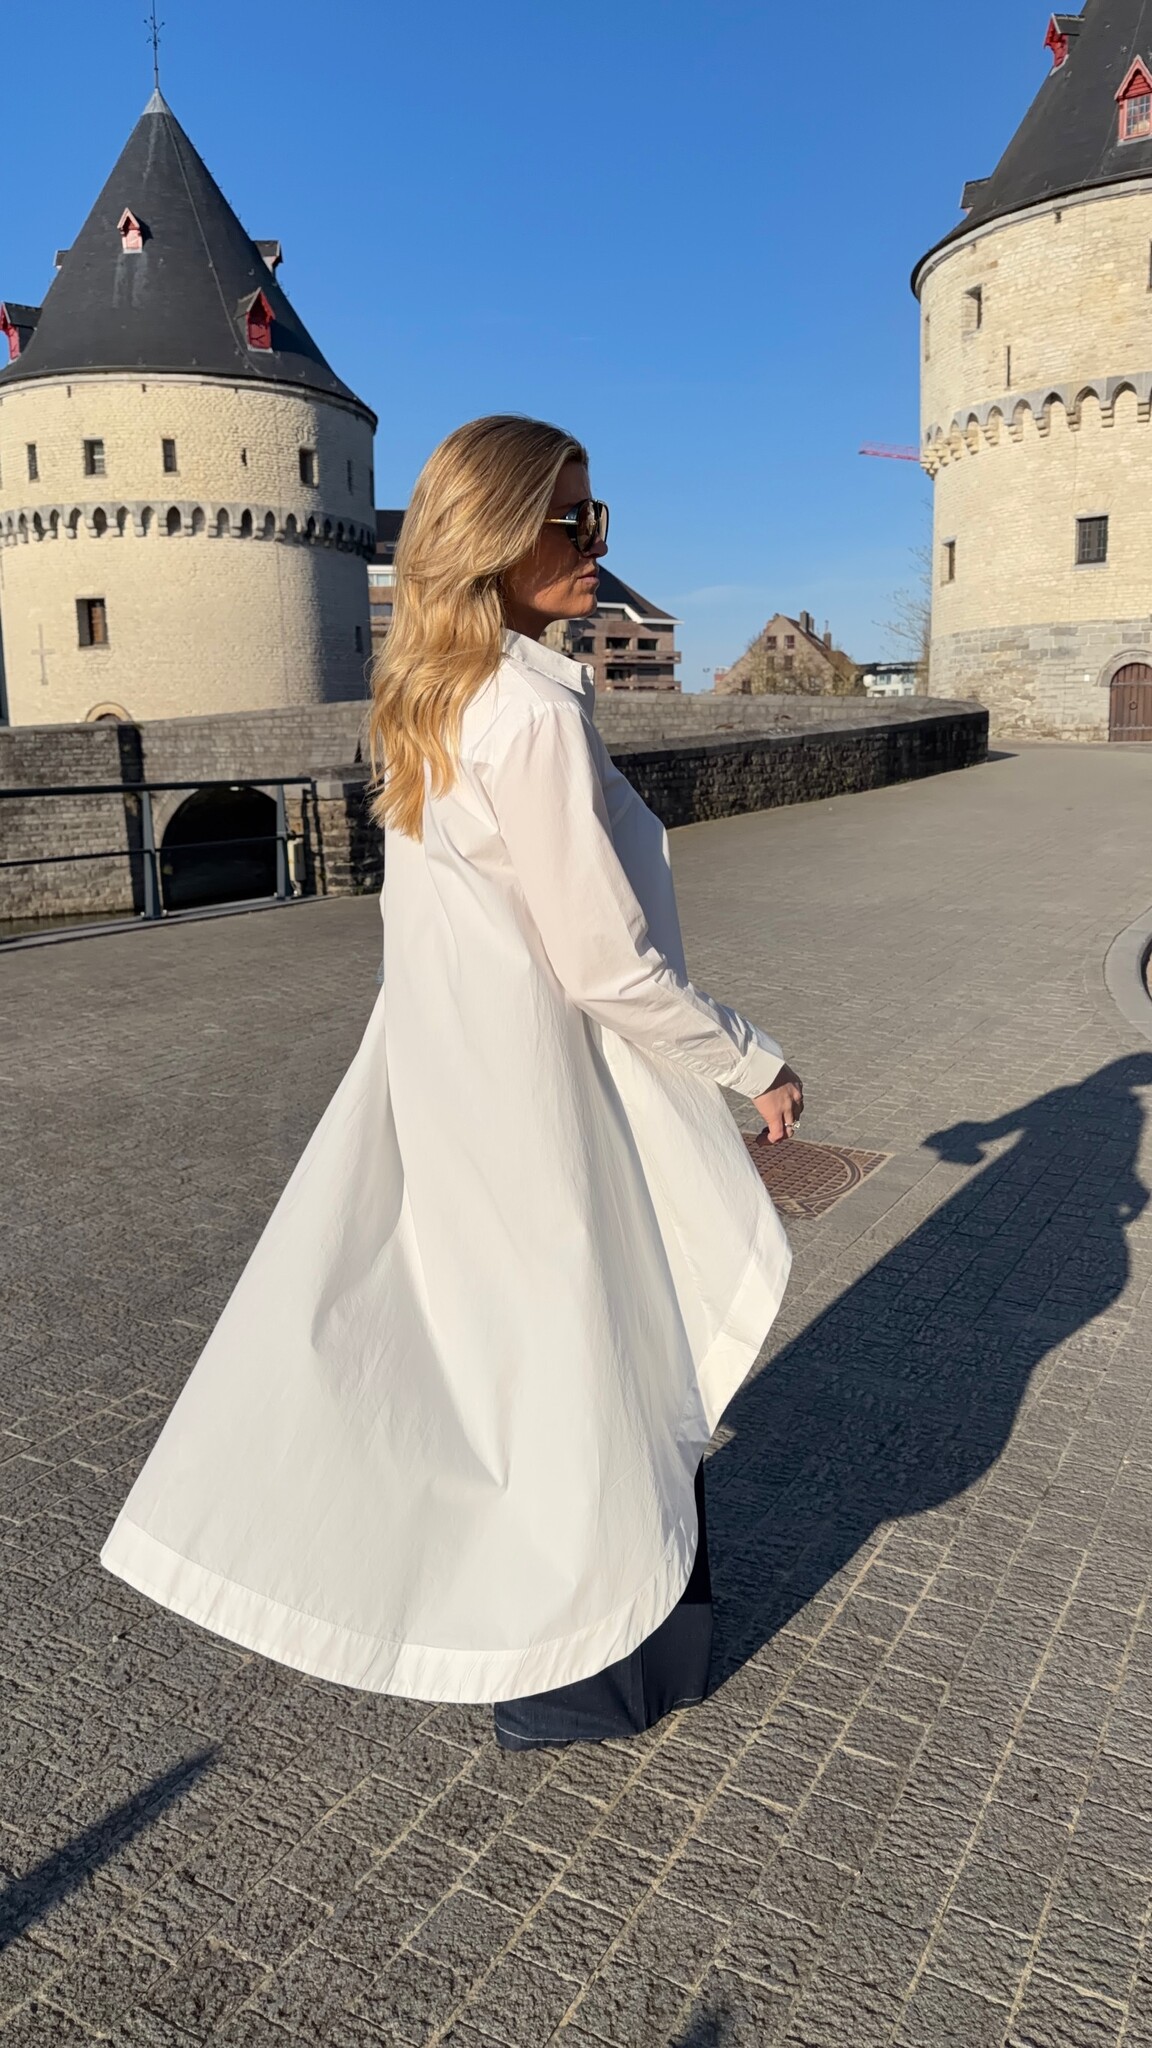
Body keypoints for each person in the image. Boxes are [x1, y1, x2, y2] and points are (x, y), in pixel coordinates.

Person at [100, 415, 802, 1749]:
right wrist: (749, 1061)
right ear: (492, 539)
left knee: (507, 1355)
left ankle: (543, 1641)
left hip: (454, 1073)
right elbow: (605, 960)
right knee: (588, 1346)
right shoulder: (527, 711)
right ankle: (591, 1659)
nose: (596, 545)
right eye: (569, 521)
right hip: (541, 1083)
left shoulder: (435, 698)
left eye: (596, 517)